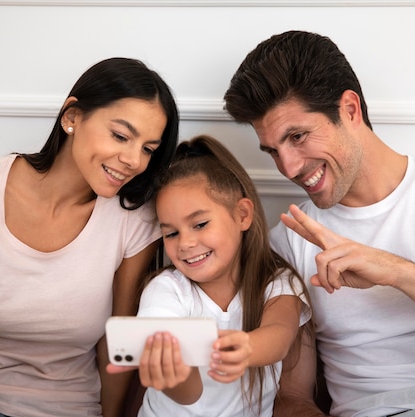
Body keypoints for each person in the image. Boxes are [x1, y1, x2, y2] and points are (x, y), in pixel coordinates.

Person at [223, 30, 415, 417]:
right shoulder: (288, 241)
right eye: (273, 151)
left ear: (350, 110)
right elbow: (292, 399)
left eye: (297, 136)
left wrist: (399, 272)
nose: (288, 167)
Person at [0, 57, 179, 417]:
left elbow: (117, 342)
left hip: (67, 408)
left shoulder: (133, 219)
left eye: (148, 149)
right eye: (121, 136)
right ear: (72, 117)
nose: (133, 160)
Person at [107, 134, 312, 416]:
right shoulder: (166, 290)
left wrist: (247, 348)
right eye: (172, 233)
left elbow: (280, 335)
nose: (185, 243)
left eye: (200, 224)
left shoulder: (276, 283)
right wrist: (175, 373)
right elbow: (190, 395)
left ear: (242, 215)